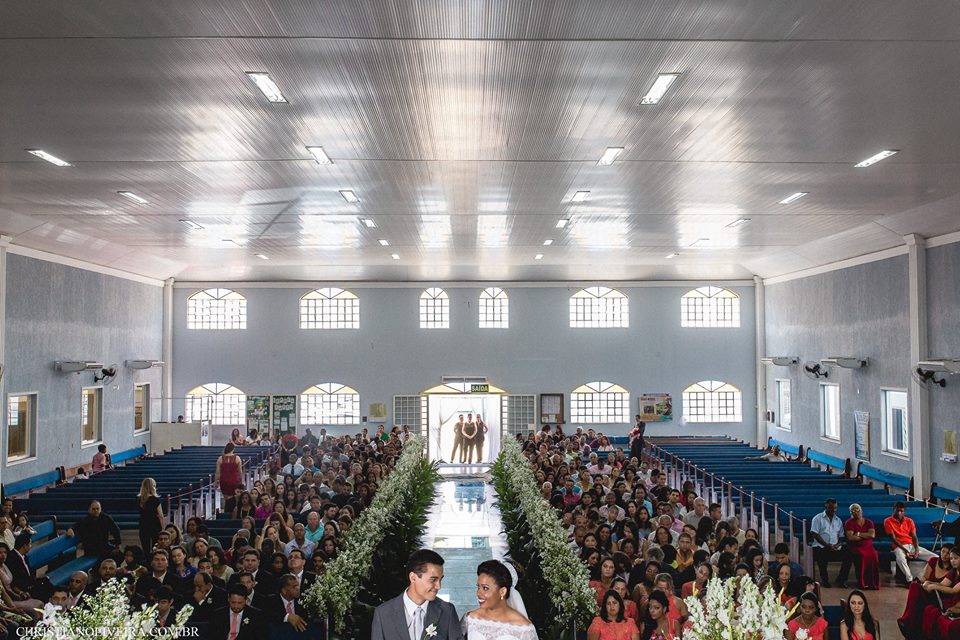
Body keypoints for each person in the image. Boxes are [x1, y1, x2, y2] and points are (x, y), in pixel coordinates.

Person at [370, 549, 463, 640]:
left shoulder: (447, 611)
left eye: (440, 579)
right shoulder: (383, 614)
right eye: (433, 580)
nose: (439, 586)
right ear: (413, 578)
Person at [460, 560, 535, 640]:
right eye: (478, 587)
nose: (478, 593)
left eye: (485, 588)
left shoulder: (524, 629)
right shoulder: (469, 619)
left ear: (502, 592)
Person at [884, 501, 937, 584]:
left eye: (901, 511)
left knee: (935, 558)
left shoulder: (909, 521)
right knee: (900, 559)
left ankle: (919, 577)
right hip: (899, 546)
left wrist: (916, 549)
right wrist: (906, 551)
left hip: (911, 545)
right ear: (893, 509)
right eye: (897, 510)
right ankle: (910, 580)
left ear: (904, 511)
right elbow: (893, 539)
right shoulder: (888, 521)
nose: (899, 513)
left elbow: (914, 536)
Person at [809, 498, 849, 587]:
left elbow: (841, 536)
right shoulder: (818, 518)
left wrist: (837, 545)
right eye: (831, 508)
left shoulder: (838, 520)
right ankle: (825, 580)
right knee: (821, 556)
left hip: (835, 547)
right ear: (826, 507)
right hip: (821, 546)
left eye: (835, 508)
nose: (834, 510)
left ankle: (841, 579)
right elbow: (815, 534)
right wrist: (827, 545)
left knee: (849, 555)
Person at [844, 503, 880, 590]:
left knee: (874, 555)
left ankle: (872, 582)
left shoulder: (868, 522)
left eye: (857, 510)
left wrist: (858, 534)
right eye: (853, 511)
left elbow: (872, 535)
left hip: (868, 546)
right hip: (855, 547)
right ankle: (862, 582)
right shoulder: (849, 522)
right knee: (862, 556)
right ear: (850, 513)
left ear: (861, 511)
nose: (855, 512)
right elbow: (850, 537)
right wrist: (865, 536)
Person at [138, 478, 164, 553]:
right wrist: (163, 528)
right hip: (154, 523)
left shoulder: (139, 499)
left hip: (143, 523)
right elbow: (161, 516)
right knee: (155, 547)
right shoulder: (155, 499)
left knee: (145, 547)